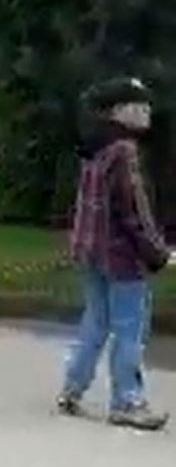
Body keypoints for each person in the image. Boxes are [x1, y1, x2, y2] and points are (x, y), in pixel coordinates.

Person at [58, 77, 171, 430]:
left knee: (96, 320)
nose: (147, 112)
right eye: (139, 106)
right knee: (130, 329)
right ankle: (128, 401)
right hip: (120, 257)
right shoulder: (124, 151)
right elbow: (135, 211)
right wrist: (158, 253)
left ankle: (72, 388)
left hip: (89, 251)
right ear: (119, 112)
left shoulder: (94, 147)